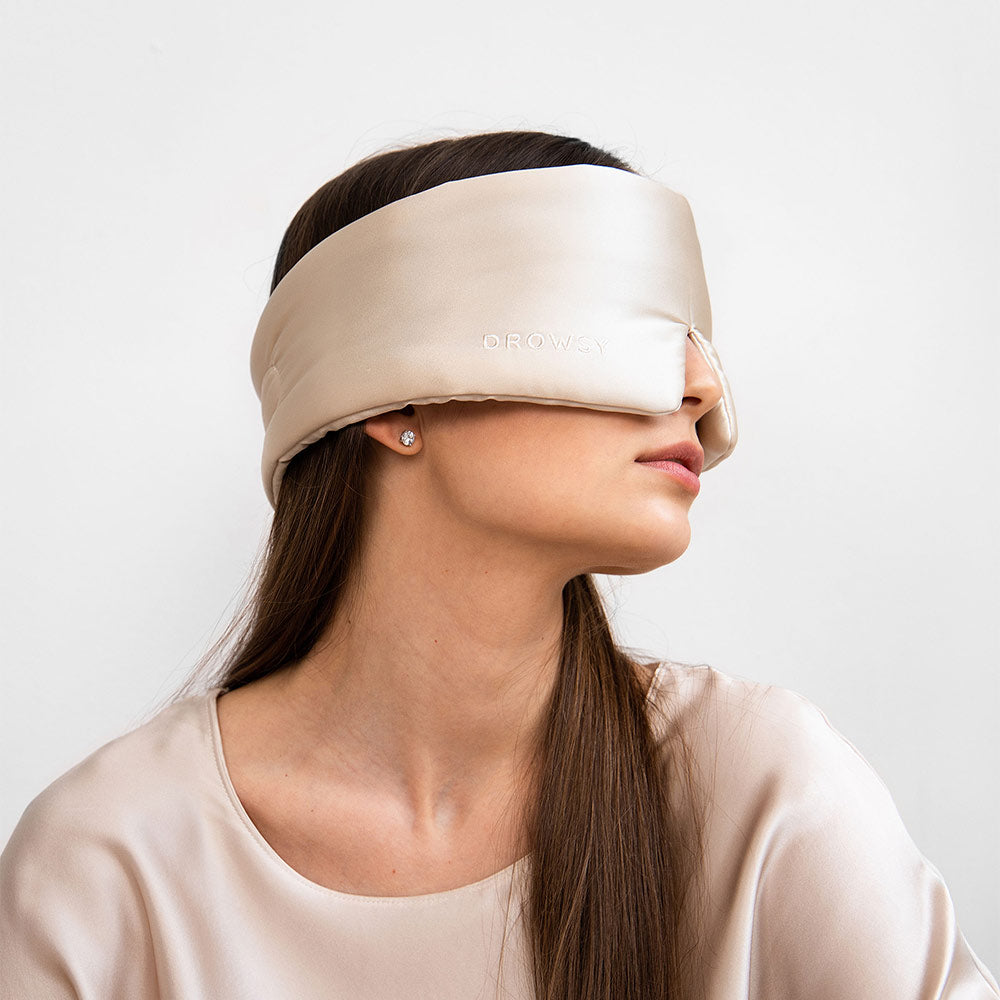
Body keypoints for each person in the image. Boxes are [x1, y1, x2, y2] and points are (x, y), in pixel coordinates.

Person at [1, 128, 996, 1000]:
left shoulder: (755, 784)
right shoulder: (111, 862)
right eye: (619, 313)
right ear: (391, 395)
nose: (701, 383)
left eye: (694, 333)